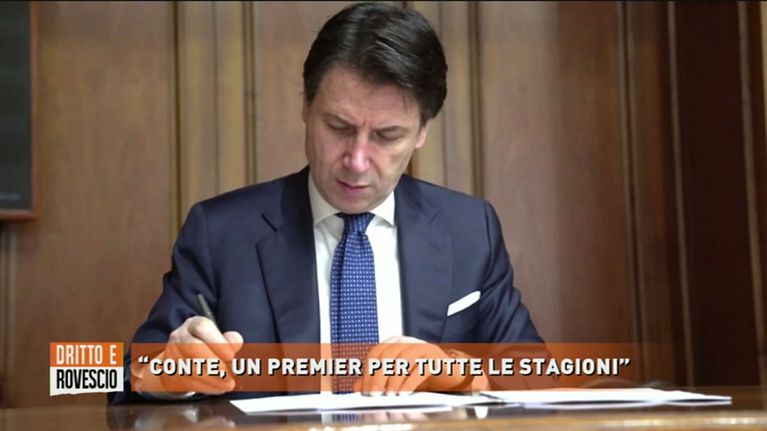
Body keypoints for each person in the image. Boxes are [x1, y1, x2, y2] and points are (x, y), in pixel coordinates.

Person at [111, 2, 541, 404]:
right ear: (306, 105)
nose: (357, 161)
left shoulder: (470, 229)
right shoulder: (220, 232)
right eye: (338, 127)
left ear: (423, 130)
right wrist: (167, 374)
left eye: (387, 136)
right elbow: (121, 381)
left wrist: (458, 373)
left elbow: (538, 378)